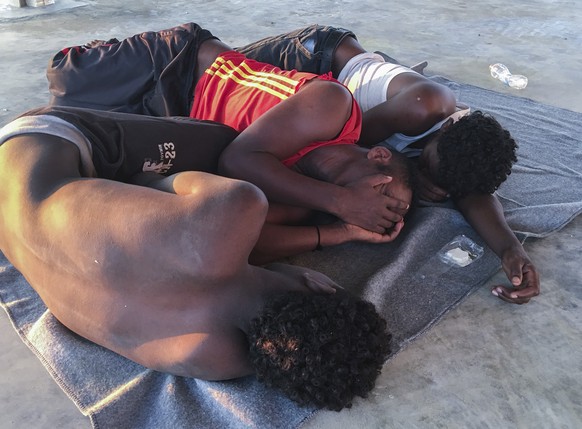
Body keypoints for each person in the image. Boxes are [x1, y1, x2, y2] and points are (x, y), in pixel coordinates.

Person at [0, 107, 391, 411]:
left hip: (38, 140)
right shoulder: (214, 359)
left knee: (224, 142)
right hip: (8, 235)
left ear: (320, 282)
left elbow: (141, 183)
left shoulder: (235, 209)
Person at [46, 22, 414, 259]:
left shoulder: (302, 197)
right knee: (64, 75)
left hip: (174, 120)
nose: (371, 209)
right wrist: (342, 201)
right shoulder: (335, 107)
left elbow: (239, 241)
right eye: (382, 195)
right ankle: (113, 48)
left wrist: (341, 231)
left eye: (380, 214)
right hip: (184, 64)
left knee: (62, 123)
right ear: (379, 156)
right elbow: (237, 159)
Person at [235, 25, 539, 305]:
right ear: (446, 127)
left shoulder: (453, 158)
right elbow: (345, 143)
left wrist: (510, 249)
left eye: (446, 187)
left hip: (312, 97)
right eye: (426, 165)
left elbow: (476, 196)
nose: (429, 181)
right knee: (221, 68)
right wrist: (399, 179)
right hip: (316, 57)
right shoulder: (425, 106)